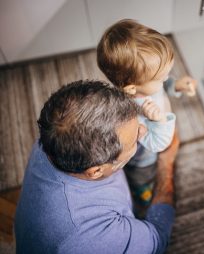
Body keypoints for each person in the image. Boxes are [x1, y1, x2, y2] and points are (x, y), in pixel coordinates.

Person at [14, 80, 179, 254]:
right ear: (96, 171)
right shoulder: (93, 236)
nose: (144, 131)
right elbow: (158, 238)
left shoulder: (50, 138)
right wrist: (166, 164)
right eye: (135, 136)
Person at [97, 19, 196, 213]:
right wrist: (159, 121)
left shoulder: (144, 86)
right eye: (162, 77)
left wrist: (176, 85)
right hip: (144, 158)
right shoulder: (131, 115)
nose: (167, 77)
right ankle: (141, 192)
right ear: (132, 88)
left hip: (159, 126)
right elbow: (158, 143)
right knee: (142, 177)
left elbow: (162, 88)